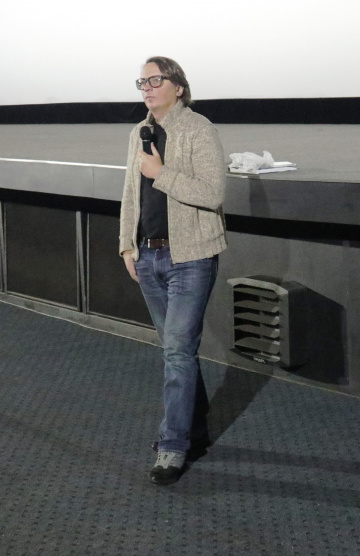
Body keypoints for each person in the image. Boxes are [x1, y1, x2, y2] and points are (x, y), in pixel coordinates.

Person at [119, 56, 227, 486]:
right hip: (148, 256)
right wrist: (127, 245)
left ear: (178, 87)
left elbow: (213, 192)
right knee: (175, 350)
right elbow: (131, 192)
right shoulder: (139, 133)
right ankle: (194, 429)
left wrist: (161, 173)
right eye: (142, 81)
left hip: (191, 257)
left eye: (155, 80)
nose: (146, 87)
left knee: (178, 351)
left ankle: (173, 445)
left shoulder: (199, 129)